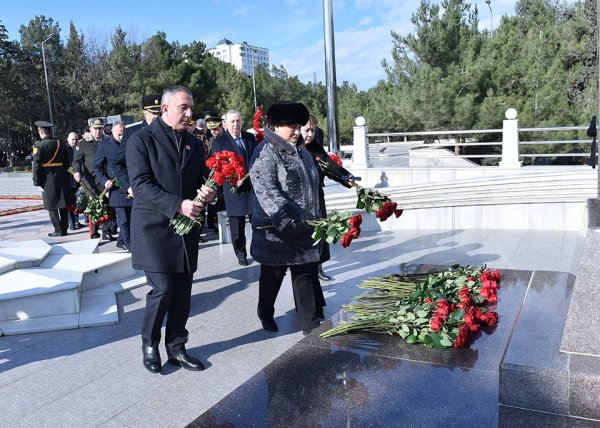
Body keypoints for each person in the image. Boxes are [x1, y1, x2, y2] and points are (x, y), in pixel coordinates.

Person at [126, 85, 216, 373]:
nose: (190, 114)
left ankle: (177, 347)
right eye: (183, 108)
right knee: (162, 289)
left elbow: (203, 176)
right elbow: (140, 185)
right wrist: (178, 205)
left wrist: (210, 191)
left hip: (185, 228)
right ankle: (150, 343)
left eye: (191, 108)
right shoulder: (141, 140)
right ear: (164, 109)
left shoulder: (192, 142)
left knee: (183, 290)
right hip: (154, 227)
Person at [250, 101, 321, 335]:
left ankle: (310, 325)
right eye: (292, 126)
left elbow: (311, 186)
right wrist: (287, 216)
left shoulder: (302, 149)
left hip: (304, 227)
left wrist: (313, 218)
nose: (297, 131)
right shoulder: (265, 151)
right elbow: (266, 188)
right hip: (276, 230)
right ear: (276, 126)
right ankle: (265, 311)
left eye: (299, 126)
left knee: (305, 275)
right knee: (273, 276)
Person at [301, 115, 354, 282]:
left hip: (317, 197)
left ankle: (318, 268)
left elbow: (330, 167)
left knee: (320, 233)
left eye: (312, 130)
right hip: (301, 202)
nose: (310, 134)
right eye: (306, 130)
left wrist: (346, 177)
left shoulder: (316, 148)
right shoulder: (293, 149)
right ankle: (305, 270)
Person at [211, 110, 257, 266]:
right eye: (232, 121)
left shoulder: (250, 138)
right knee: (237, 227)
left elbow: (255, 158)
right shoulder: (220, 141)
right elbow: (218, 166)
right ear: (225, 123)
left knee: (256, 222)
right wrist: (233, 180)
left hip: (251, 188)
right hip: (234, 189)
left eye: (238, 121)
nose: (236, 124)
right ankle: (241, 254)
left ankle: (257, 250)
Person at [72, 117, 114, 240]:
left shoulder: (108, 141)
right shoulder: (83, 144)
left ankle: (107, 232)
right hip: (90, 181)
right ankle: (94, 233)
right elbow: (76, 161)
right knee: (94, 206)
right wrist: (77, 171)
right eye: (95, 129)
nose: (97, 131)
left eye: (100, 129)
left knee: (107, 205)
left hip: (105, 179)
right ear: (90, 129)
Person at [32, 121, 75, 237]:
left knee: (52, 205)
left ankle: (58, 230)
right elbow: (67, 163)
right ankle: (64, 229)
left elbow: (36, 166)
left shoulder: (39, 146)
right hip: (62, 177)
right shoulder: (61, 143)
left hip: (48, 178)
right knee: (63, 205)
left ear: (41, 132)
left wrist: (37, 181)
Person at [95, 121, 132, 251]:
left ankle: (121, 240)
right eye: (118, 134)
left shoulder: (129, 142)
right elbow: (98, 167)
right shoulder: (104, 145)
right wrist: (105, 181)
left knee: (132, 216)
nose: (121, 137)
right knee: (123, 218)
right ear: (112, 132)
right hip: (115, 187)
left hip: (129, 184)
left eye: (123, 134)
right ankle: (129, 244)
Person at [66, 131, 84, 230]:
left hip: (78, 179)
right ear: (68, 139)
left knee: (78, 202)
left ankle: (76, 221)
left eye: (76, 139)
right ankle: (72, 223)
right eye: (72, 139)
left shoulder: (79, 148)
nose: (74, 141)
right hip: (69, 180)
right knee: (71, 203)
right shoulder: (65, 149)